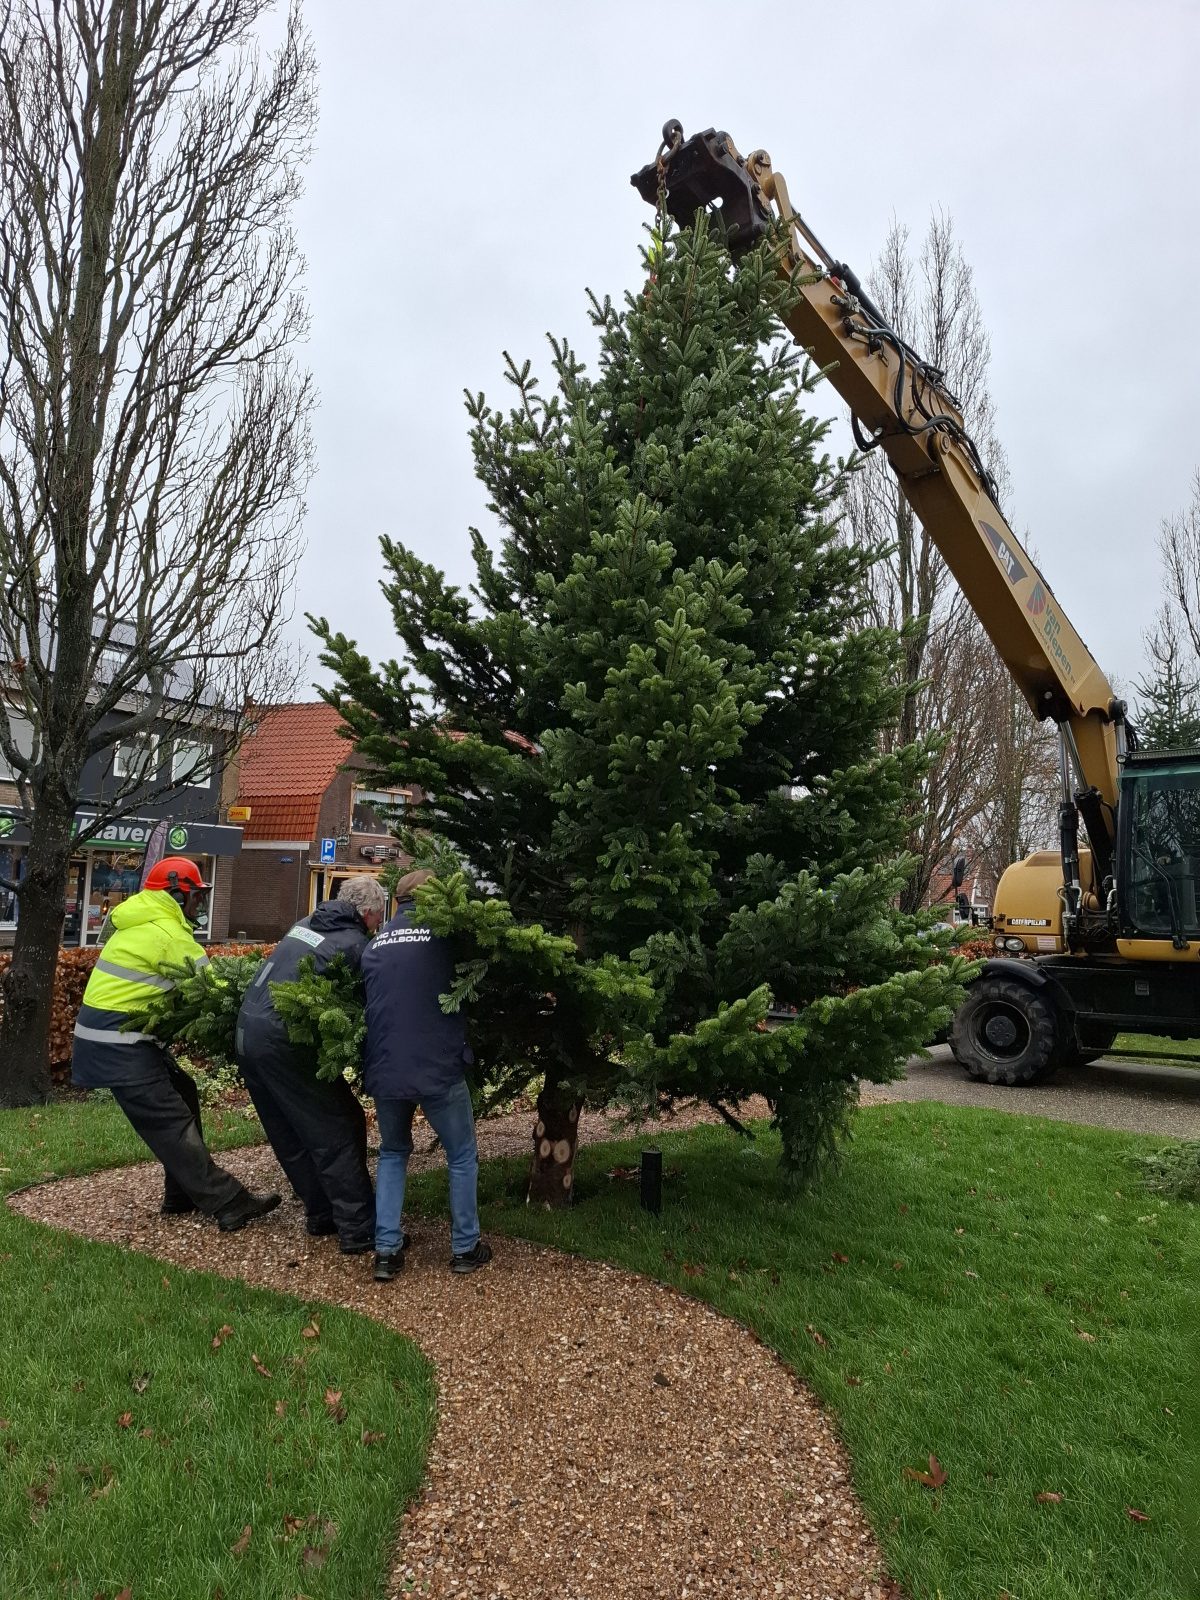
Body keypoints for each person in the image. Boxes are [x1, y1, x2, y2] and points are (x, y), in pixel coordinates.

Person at [71, 856, 281, 1232]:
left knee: (183, 1092)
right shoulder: (169, 935)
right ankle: (229, 1202)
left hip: (117, 1037)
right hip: (119, 1042)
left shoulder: (140, 921)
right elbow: (213, 990)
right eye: (196, 896)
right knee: (171, 1123)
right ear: (176, 894)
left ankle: (181, 1194)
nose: (200, 904)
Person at [234, 875, 386, 1254]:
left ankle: (322, 1213)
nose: (378, 925)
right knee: (338, 1127)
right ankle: (359, 1229)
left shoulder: (305, 924)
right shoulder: (354, 945)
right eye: (379, 917)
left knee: (290, 1133)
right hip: (286, 1041)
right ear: (367, 913)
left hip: (247, 1032)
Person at [361, 869, 491, 1281]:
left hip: (385, 1066)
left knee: (393, 1152)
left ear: (397, 902)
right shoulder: (446, 939)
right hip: (437, 1066)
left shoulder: (375, 944)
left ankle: (386, 1251)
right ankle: (465, 1247)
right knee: (461, 1154)